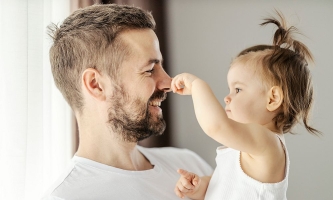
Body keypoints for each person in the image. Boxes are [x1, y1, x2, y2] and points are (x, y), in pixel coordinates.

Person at [42, 4, 212, 200]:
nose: (169, 83)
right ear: (96, 84)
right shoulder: (67, 196)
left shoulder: (189, 166)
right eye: (150, 70)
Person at [172, 11, 320, 200]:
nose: (227, 98)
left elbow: (216, 126)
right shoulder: (243, 147)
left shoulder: (269, 144)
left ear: (272, 99)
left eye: (238, 90)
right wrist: (200, 186)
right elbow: (225, 187)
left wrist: (198, 86)